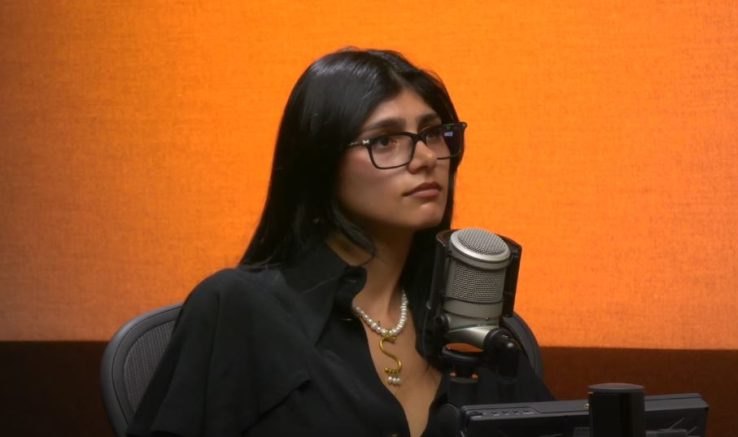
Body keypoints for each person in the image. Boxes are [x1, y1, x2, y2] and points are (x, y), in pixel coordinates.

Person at [127, 48, 552, 437]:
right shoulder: (239, 307)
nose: (426, 158)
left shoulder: (475, 325)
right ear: (321, 162)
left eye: (433, 133)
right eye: (385, 141)